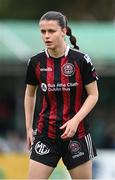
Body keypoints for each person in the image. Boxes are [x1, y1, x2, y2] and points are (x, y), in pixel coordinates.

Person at [24, 11, 99, 179]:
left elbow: (93, 95)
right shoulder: (35, 62)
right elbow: (29, 95)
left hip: (77, 135)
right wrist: (29, 128)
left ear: (64, 31)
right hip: (45, 135)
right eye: (43, 32)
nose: (46, 36)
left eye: (51, 31)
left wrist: (75, 120)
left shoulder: (81, 60)